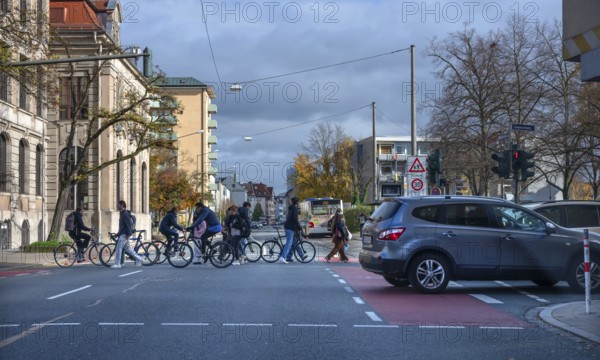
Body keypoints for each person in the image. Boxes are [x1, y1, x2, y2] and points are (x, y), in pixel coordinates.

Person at [111, 200, 143, 268]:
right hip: (123, 234)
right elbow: (123, 226)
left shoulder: (125, 214)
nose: (117, 206)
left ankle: (117, 264)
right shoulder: (122, 214)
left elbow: (128, 225)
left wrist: (128, 234)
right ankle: (139, 259)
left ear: (122, 205)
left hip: (124, 235)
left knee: (118, 249)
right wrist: (117, 234)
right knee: (128, 249)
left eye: (118, 204)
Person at [281, 197, 305, 263]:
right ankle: (283, 256)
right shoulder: (294, 208)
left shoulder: (291, 208)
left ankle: (290, 257)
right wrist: (300, 227)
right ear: (297, 202)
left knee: (294, 242)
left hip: (289, 227)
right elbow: (295, 220)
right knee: (289, 243)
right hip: (290, 228)